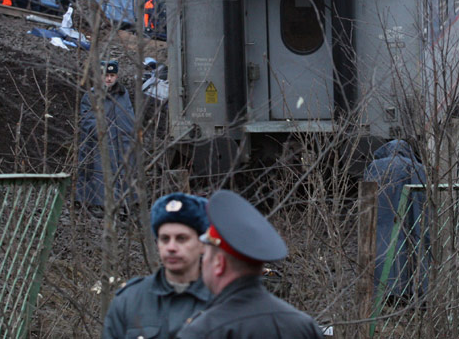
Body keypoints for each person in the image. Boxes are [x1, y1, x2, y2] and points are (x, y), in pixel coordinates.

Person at [178, 190, 324, 339]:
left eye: (206, 255)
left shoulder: (202, 331)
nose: (203, 262)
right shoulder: (304, 327)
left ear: (219, 263)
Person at [103, 192, 213, 339]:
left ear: (203, 244)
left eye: (181, 238)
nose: (171, 247)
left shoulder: (223, 299)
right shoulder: (130, 300)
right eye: (165, 239)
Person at [363, 139, 428, 301]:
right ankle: (412, 291)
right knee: (410, 247)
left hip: (382, 219)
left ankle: (384, 292)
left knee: (383, 249)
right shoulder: (417, 167)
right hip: (411, 218)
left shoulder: (376, 166)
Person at [76, 60, 135, 217]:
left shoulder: (123, 95)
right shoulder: (91, 95)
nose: (109, 79)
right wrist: (101, 133)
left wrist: (130, 134)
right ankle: (97, 204)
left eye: (112, 75)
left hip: (122, 141)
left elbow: (129, 116)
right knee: (98, 172)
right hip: (99, 142)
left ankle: (123, 204)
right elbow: (87, 119)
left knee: (123, 171)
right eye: (106, 75)